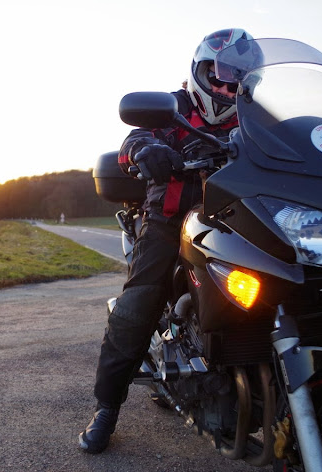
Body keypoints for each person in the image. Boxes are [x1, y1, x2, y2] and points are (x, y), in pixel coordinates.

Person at [79, 28, 253, 454]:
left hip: (238, 221)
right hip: (169, 221)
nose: (229, 85)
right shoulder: (172, 108)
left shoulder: (255, 117)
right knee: (139, 303)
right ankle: (106, 408)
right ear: (201, 72)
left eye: (240, 77)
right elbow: (133, 138)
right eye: (222, 74)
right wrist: (143, 152)